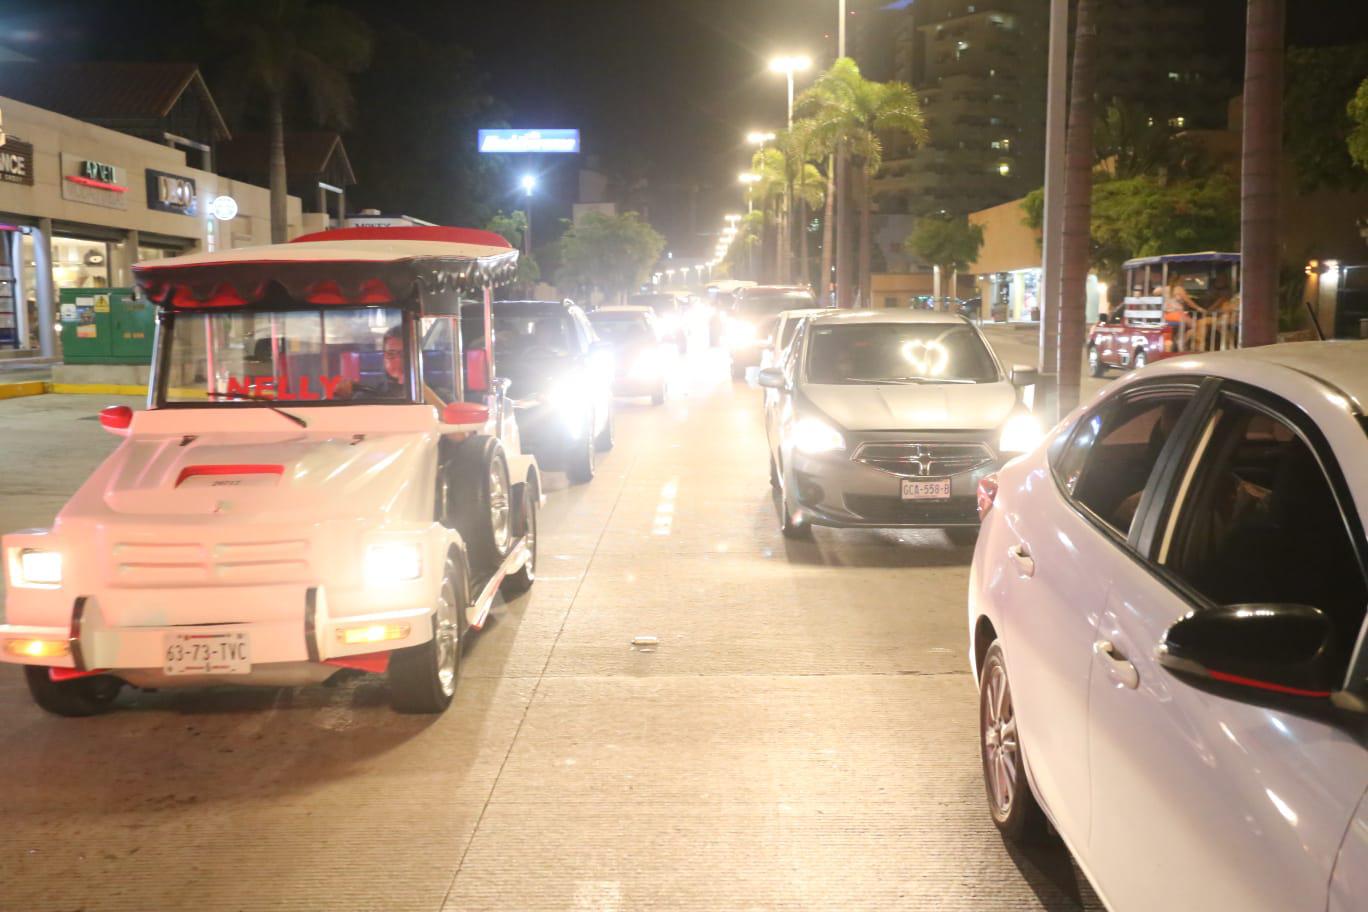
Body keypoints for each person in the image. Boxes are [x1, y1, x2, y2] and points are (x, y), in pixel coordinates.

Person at [337, 326, 407, 400]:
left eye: (404, 353)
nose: (398, 360)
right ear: (384, 357)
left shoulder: (419, 391)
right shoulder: (367, 395)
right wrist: (346, 398)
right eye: (391, 353)